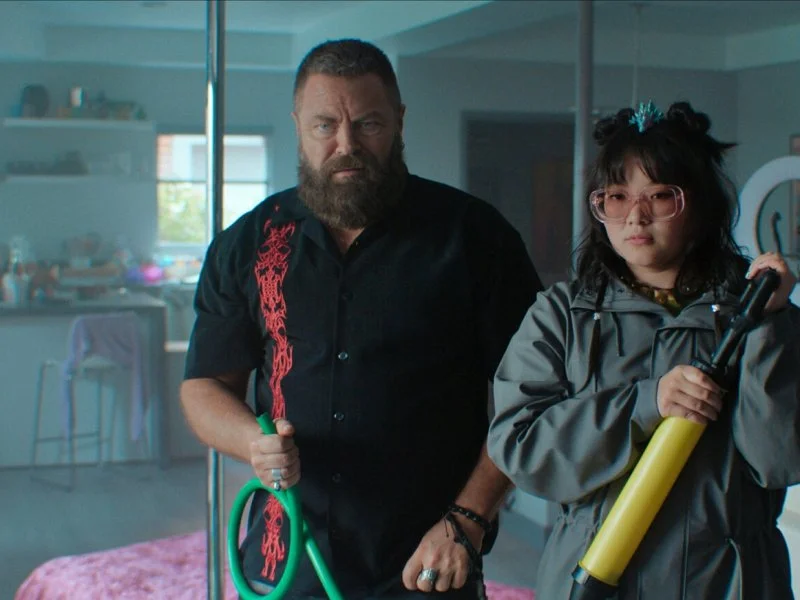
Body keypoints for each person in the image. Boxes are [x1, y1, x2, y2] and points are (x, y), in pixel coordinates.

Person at [180, 38, 542, 599]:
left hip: (428, 561)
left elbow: (535, 398)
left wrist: (469, 520)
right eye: (325, 125)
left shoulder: (475, 238)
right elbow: (204, 386)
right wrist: (252, 441)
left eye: (368, 124)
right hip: (287, 554)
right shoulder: (247, 243)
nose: (346, 145)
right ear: (299, 126)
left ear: (398, 122)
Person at [487, 101, 800, 599]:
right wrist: (644, 404)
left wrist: (769, 324)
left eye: (659, 196)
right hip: (595, 579)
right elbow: (521, 449)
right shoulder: (562, 315)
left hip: (729, 583)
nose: (635, 216)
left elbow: (778, 461)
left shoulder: (758, 315)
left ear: (699, 205)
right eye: (616, 197)